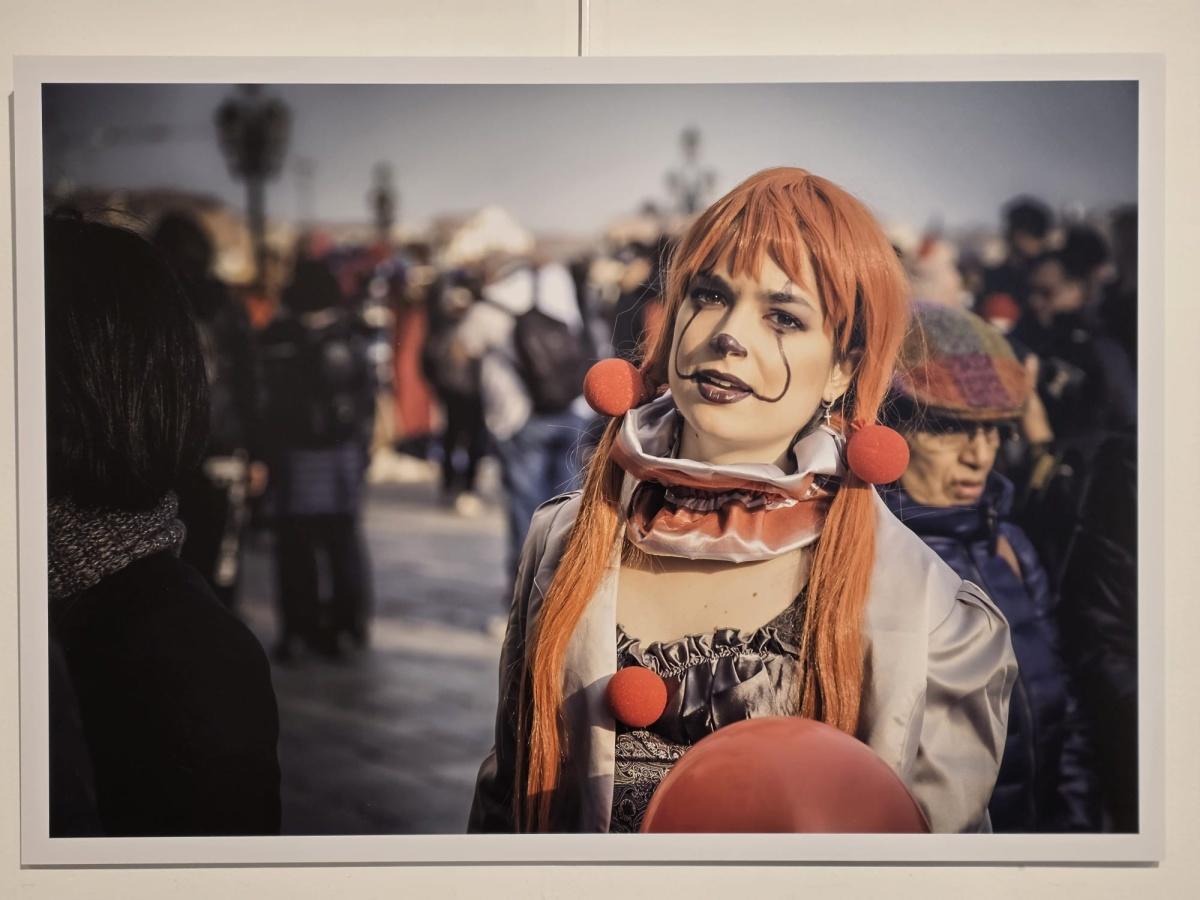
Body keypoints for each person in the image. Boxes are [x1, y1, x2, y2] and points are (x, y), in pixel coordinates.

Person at [469, 168, 1017, 834]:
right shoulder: (561, 542)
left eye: (783, 316)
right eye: (709, 295)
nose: (729, 334)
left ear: (843, 367)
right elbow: (505, 807)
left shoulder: (929, 614)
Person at [46, 215, 281, 836]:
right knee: (210, 570)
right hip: (207, 465)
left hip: (186, 475)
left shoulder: (180, 661)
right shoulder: (198, 653)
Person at [882, 302, 1101, 832]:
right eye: (951, 429)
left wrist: (1075, 835)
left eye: (997, 430)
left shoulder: (1012, 546)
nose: (980, 456)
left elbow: (1066, 715)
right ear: (888, 427)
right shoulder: (866, 563)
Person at [455, 256, 596, 590]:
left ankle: (523, 604)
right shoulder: (558, 287)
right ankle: (565, 601)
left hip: (518, 419)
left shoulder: (490, 306)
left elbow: (460, 351)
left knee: (528, 520)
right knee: (568, 516)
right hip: (571, 412)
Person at [259, 259, 376, 660]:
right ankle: (345, 628)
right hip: (338, 454)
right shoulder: (350, 335)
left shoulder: (276, 337)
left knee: (295, 547)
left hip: (293, 456)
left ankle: (299, 629)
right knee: (341, 544)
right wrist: (362, 452)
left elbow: (264, 404)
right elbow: (366, 402)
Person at [150, 211, 267, 609]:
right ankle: (217, 638)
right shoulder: (226, 306)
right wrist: (257, 451)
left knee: (174, 560)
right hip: (224, 448)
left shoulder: (154, 304)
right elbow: (251, 382)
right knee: (221, 564)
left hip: (168, 453)